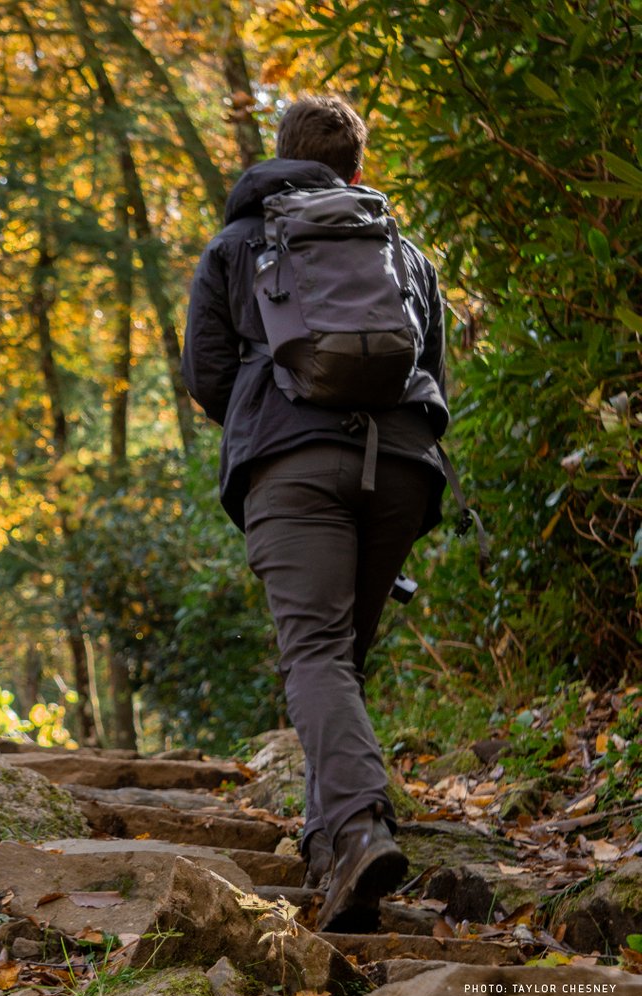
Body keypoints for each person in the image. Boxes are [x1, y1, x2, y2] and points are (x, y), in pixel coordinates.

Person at [182, 95, 450, 932]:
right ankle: (332, 846)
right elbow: (434, 368)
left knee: (316, 656)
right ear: (357, 169)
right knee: (341, 659)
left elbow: (207, 373)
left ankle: (362, 827)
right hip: (403, 466)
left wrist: (275, 427)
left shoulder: (236, 245)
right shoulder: (400, 251)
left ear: (280, 156)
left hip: (293, 466)